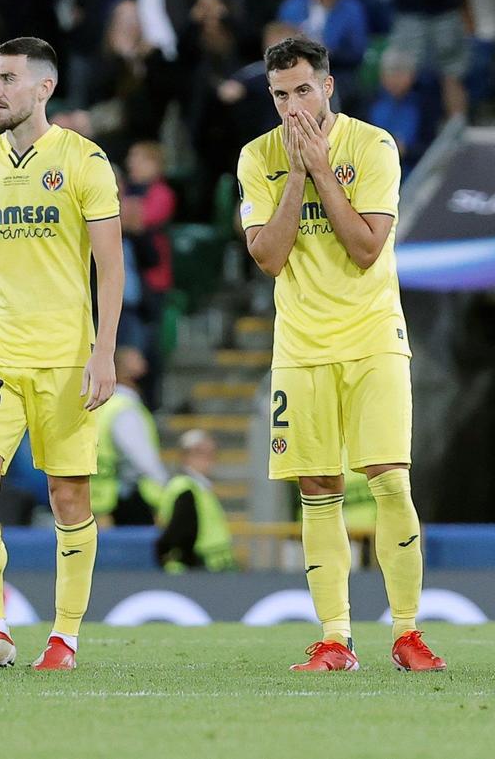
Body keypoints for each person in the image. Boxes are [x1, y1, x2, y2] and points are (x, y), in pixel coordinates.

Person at [235, 35, 444, 674]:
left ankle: (407, 633)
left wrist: (321, 168)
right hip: (301, 346)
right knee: (318, 488)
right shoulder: (257, 157)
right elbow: (269, 257)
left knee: (390, 479)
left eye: (303, 90)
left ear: (327, 86)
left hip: (373, 337)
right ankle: (335, 639)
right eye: (280, 95)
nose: (292, 106)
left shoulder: (373, 146)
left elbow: (365, 248)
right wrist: (297, 173)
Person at [0, 37, 124, 672]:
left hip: (65, 357)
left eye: (8, 79)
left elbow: (110, 266)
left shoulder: (84, 160)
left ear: (44, 88)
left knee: (68, 496)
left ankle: (64, 637)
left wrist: (104, 351)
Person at [91, 346, 167, 526]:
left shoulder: (104, 404)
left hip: (99, 496)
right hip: (126, 499)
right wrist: (164, 483)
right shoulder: (124, 407)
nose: (145, 367)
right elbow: (139, 455)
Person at [156, 429, 237, 573]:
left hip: (211, 565)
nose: (209, 459)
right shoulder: (185, 487)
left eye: (212, 452)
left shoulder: (199, 487)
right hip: (198, 567)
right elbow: (182, 530)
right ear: (186, 456)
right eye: (201, 453)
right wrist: (192, 563)